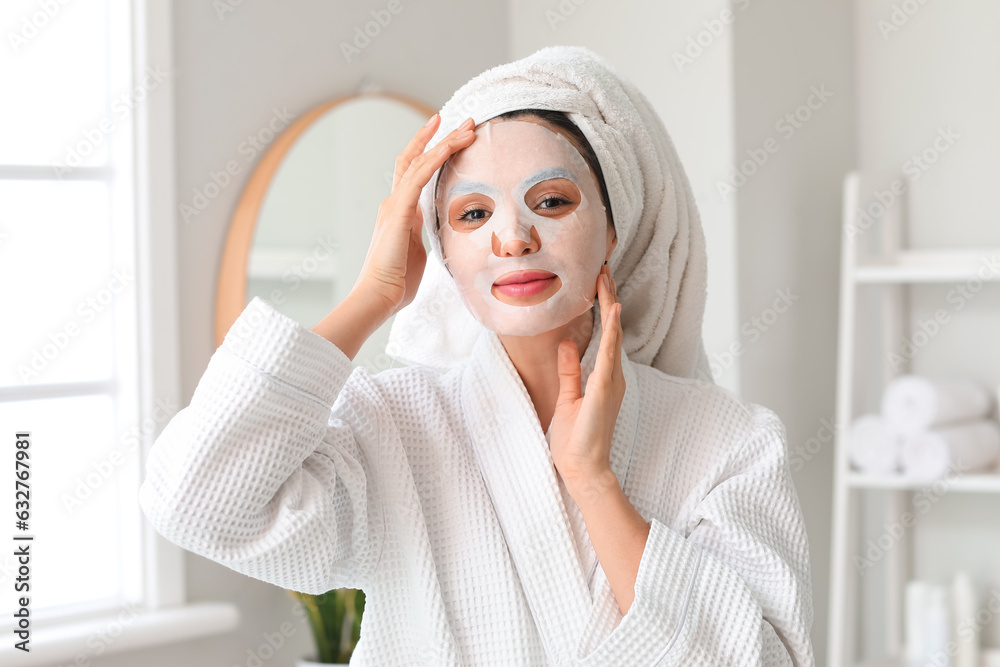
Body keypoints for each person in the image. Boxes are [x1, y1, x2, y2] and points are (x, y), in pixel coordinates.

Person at [139, 46, 816, 666]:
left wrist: (592, 480)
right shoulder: (393, 427)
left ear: (614, 227)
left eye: (551, 200)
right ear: (442, 249)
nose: (512, 237)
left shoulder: (729, 441)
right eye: (471, 215)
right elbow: (197, 501)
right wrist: (375, 294)